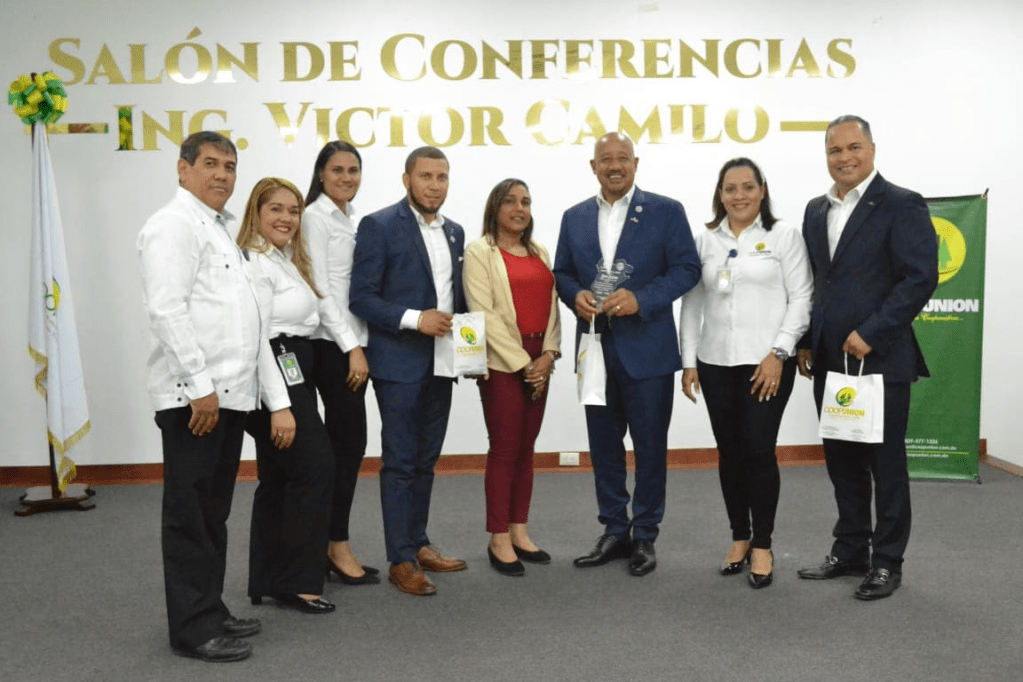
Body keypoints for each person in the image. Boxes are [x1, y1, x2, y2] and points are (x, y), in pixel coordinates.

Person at [139, 131, 290, 662]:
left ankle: (211, 608)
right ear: (183, 170)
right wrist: (199, 387)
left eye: (229, 165)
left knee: (212, 513)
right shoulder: (173, 225)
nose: (222, 174)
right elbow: (167, 311)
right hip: (195, 399)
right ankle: (192, 629)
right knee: (189, 517)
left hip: (229, 397)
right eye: (210, 164)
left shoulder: (221, 229)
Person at [796, 115, 938, 600]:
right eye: (835, 150)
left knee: (885, 466)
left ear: (872, 149)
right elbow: (816, 283)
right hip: (829, 360)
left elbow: (920, 277)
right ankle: (851, 549)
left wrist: (872, 333)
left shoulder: (902, 203)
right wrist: (805, 340)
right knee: (842, 461)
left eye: (853, 147)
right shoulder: (816, 210)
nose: (845, 158)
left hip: (881, 360)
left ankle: (887, 561)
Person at [553, 132, 701, 577]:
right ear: (593, 166)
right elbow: (561, 272)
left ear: (636, 163)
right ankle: (615, 530)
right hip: (594, 348)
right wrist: (574, 294)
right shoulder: (575, 217)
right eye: (605, 159)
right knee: (603, 447)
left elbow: (687, 269)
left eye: (622, 158)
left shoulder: (666, 211)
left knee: (650, 448)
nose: (614, 166)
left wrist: (643, 299)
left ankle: (646, 535)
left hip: (648, 350)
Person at [679, 157, 812, 589]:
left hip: (767, 364)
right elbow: (692, 304)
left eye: (748, 187)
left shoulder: (784, 235)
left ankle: (763, 545)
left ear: (762, 190)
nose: (739, 196)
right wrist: (689, 361)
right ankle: (739, 536)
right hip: (716, 363)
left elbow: (802, 297)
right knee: (730, 453)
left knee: (758, 450)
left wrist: (779, 352)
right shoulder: (705, 240)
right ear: (720, 194)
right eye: (730, 188)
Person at [349, 146, 468, 596]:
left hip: (443, 364)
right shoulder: (379, 225)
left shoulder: (455, 232)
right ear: (406, 180)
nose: (434, 185)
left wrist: (472, 354)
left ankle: (418, 543)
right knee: (399, 462)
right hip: (398, 363)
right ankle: (400, 559)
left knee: (426, 461)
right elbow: (361, 298)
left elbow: (456, 301)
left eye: (442, 177)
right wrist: (416, 319)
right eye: (425, 176)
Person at [237, 177, 336, 614]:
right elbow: (257, 336)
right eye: (275, 209)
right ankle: (298, 583)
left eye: (293, 211)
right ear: (256, 212)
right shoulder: (254, 262)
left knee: (279, 477)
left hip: (293, 364)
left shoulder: (283, 259)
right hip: (276, 369)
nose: (287, 218)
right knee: (315, 469)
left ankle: (269, 578)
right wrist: (279, 406)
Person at [464, 179, 562, 577]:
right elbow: (483, 312)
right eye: (511, 201)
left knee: (526, 448)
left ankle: (519, 530)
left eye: (526, 201)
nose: (520, 208)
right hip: (504, 361)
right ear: (495, 207)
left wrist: (549, 354)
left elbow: (553, 307)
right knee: (504, 449)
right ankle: (499, 536)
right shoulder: (479, 252)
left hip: (540, 359)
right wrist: (525, 363)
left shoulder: (540, 252)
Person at [303, 141, 380, 586]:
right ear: (321, 173)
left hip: (352, 343)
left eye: (353, 170)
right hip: (329, 345)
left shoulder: (351, 218)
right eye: (337, 170)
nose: (347, 177)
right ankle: (334, 545)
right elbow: (319, 288)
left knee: (347, 447)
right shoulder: (314, 217)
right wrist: (352, 346)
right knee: (346, 446)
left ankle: (329, 544)